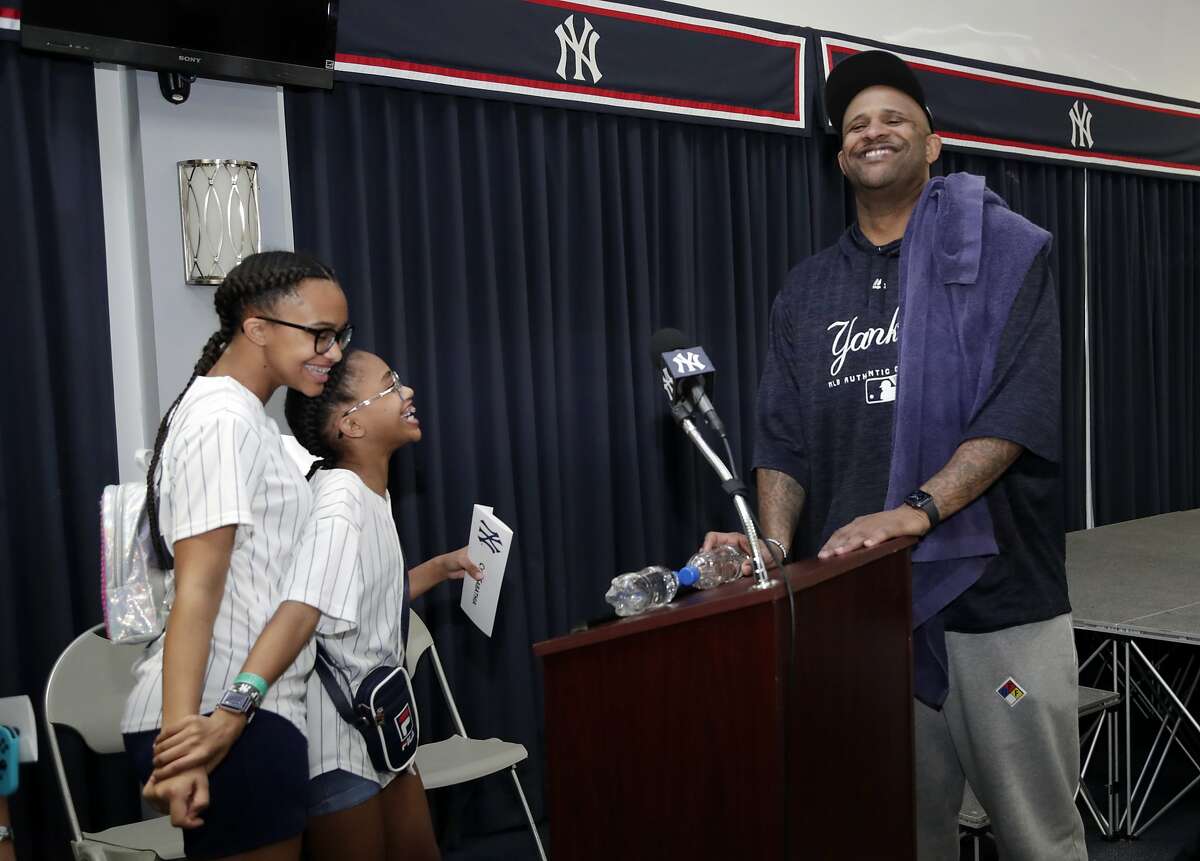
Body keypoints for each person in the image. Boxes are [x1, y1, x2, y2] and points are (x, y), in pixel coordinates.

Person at [704, 51, 1087, 860]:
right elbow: (784, 439)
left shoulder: (1005, 254)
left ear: (933, 143)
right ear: (840, 155)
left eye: (893, 118)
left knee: (1039, 837)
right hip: (866, 614)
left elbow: (1016, 410)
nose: (872, 132)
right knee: (899, 835)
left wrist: (917, 511)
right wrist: (773, 546)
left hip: (1000, 606)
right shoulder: (806, 292)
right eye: (854, 125)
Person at [151, 348, 481, 861]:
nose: (407, 391)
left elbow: (349, 605)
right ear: (351, 423)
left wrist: (438, 569)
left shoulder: (369, 493)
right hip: (335, 746)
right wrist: (235, 708)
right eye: (391, 385)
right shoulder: (338, 504)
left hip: (378, 725)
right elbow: (299, 613)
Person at [122, 251, 352, 860]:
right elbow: (199, 586)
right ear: (257, 328)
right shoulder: (222, 417)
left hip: (241, 708)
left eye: (339, 336)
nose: (333, 353)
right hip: (215, 711)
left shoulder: (243, 418)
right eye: (320, 336)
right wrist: (184, 741)